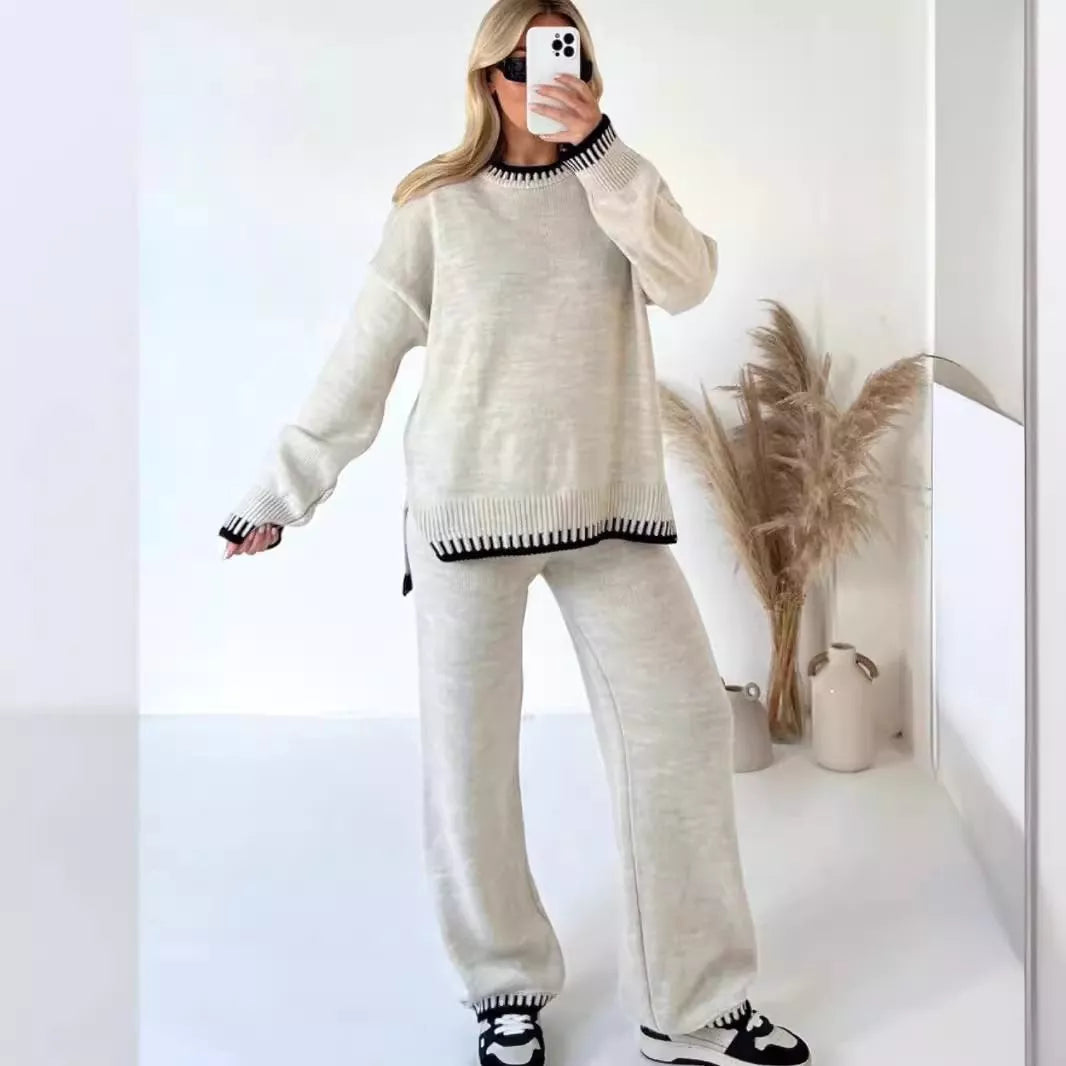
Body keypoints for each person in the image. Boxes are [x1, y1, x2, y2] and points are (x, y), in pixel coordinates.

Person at [219, 2, 811, 1064]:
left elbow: (689, 281)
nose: (543, 77)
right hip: (466, 516)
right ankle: (504, 985)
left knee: (681, 730)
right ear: (487, 79)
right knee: (471, 765)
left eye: (563, 54)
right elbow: (362, 361)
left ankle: (693, 1004)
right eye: (522, 61)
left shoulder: (617, 188)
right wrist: (280, 493)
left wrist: (602, 152)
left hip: (608, 512)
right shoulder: (437, 208)